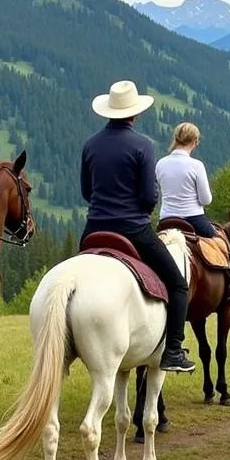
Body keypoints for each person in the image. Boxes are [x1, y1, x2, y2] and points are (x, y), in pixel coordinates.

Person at [79, 80, 195, 374]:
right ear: (134, 114)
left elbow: (86, 192)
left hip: (93, 230)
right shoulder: (142, 145)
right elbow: (147, 196)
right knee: (179, 284)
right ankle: (172, 351)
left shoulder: (90, 144)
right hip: (133, 229)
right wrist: (144, 209)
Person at [155, 122, 230, 306]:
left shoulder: (160, 164)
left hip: (166, 221)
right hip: (193, 220)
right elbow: (206, 200)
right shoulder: (196, 165)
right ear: (195, 141)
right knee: (224, 245)